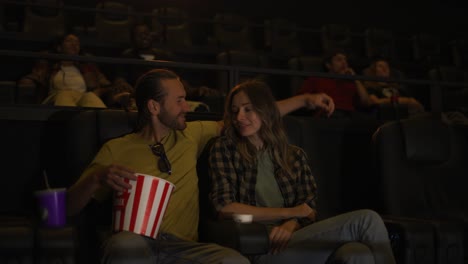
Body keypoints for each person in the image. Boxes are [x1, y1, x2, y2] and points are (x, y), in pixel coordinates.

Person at [66, 68, 335, 263]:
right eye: (179, 100)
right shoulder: (117, 148)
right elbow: (68, 208)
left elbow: (250, 117)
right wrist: (96, 179)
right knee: (124, 244)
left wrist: (305, 100)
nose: (187, 106)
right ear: (154, 106)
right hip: (137, 241)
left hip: (185, 248)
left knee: (234, 262)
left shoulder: (191, 135)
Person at [209, 79, 397, 264]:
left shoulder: (294, 155)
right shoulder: (225, 148)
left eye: (247, 109)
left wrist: (291, 223)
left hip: (296, 238)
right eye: (235, 111)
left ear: (265, 110)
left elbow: (308, 210)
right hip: (261, 245)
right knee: (367, 220)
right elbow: (226, 209)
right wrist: (287, 213)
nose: (239, 117)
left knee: (358, 253)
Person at [20, 33, 130, 108]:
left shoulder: (87, 66)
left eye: (77, 42)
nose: (74, 44)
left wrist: (99, 91)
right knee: (65, 95)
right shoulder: (49, 64)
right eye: (69, 41)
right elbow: (35, 77)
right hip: (56, 96)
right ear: (59, 48)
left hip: (82, 96)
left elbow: (105, 84)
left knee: (90, 97)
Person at [296, 50, 374, 118]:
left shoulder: (351, 83)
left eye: (345, 60)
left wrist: (356, 79)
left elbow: (367, 103)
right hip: (328, 114)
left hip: (350, 118)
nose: (344, 63)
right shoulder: (317, 79)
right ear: (328, 65)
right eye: (339, 60)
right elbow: (302, 99)